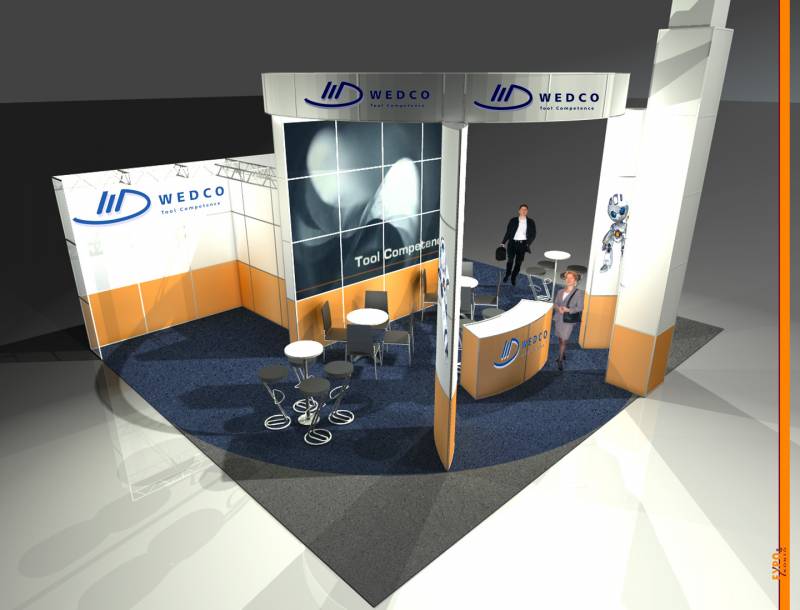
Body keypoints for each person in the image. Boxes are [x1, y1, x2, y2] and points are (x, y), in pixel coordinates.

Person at [552, 270, 584, 371]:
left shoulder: (579, 293)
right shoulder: (560, 291)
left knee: (563, 339)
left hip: (568, 320)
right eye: (567, 278)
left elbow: (580, 307)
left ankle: (560, 359)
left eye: (571, 278)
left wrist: (568, 310)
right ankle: (563, 352)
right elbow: (555, 304)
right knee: (560, 338)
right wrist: (558, 309)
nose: (569, 280)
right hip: (559, 318)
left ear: (575, 281)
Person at [500, 204, 536, 285]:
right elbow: (508, 232)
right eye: (522, 209)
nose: (523, 211)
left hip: (522, 245)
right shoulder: (513, 220)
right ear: (519, 211)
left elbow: (533, 234)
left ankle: (513, 277)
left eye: (525, 209)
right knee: (510, 260)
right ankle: (507, 274)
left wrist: (528, 243)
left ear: (527, 211)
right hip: (512, 243)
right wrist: (503, 242)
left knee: (518, 263)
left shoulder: (531, 222)